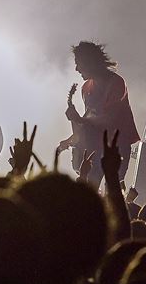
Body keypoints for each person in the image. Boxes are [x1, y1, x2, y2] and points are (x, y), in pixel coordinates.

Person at [59, 41, 140, 188]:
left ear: (90, 62)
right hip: (95, 149)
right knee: (90, 190)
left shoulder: (116, 83)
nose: (76, 69)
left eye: (78, 63)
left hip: (117, 148)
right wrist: (70, 138)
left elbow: (109, 120)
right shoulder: (86, 88)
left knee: (112, 192)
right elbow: (88, 122)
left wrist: (79, 119)